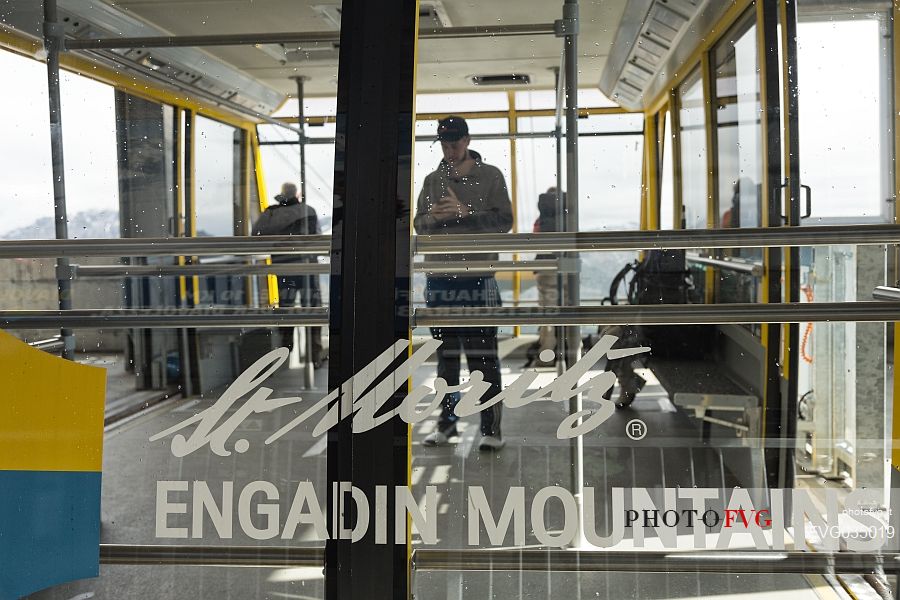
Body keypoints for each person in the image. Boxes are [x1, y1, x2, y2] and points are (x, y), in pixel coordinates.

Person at [413, 115, 513, 451]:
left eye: (455, 142)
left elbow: (504, 221)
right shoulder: (431, 180)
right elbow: (419, 224)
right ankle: (447, 424)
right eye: (444, 142)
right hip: (440, 280)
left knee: (483, 357)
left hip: (479, 278)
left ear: (467, 140)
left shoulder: (491, 176)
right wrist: (435, 218)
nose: (450, 148)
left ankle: (491, 429)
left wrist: (465, 212)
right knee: (446, 358)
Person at [252, 182, 326, 368]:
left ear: (282, 193)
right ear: (297, 194)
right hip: (307, 267)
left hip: (283, 266)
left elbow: (256, 235)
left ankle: (285, 352)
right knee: (313, 309)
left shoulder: (271, 213)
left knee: (286, 308)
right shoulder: (307, 210)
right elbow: (316, 237)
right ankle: (315, 356)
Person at [524, 187, 562, 368]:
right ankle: (570, 354)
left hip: (545, 268)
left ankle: (546, 357)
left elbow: (536, 240)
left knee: (547, 314)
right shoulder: (568, 218)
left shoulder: (542, 220)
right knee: (570, 312)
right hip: (567, 268)